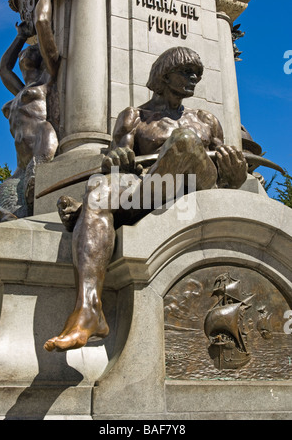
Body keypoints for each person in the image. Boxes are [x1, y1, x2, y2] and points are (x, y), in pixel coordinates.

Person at [44, 46, 248, 352]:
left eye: (198, 74)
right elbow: (115, 160)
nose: (194, 79)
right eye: (186, 72)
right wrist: (117, 159)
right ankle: (88, 311)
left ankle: (81, 216)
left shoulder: (205, 119)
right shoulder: (134, 117)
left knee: (185, 140)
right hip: (153, 184)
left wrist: (236, 175)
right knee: (99, 190)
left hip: (198, 185)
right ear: (164, 76)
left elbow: (227, 172)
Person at [0, 0, 63, 221]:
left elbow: (43, 25)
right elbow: (3, 68)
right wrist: (20, 36)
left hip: (42, 157)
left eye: (30, 50)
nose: (26, 52)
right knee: (6, 218)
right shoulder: (20, 89)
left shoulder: (48, 80)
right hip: (21, 167)